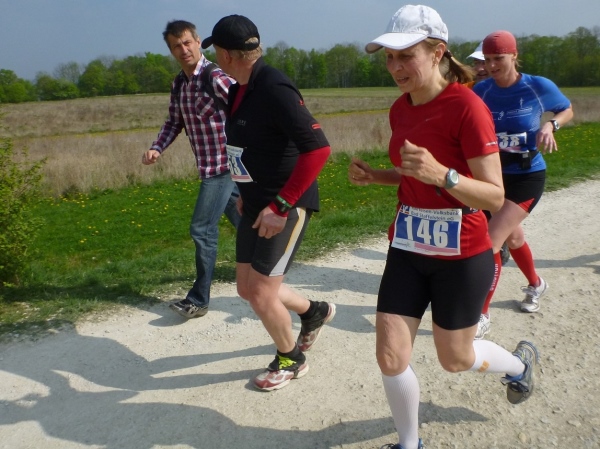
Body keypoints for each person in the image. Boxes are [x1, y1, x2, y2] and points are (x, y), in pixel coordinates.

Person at [349, 6, 539, 449]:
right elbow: (414, 174)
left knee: (455, 359)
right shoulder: (401, 109)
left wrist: (444, 175)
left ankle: (519, 366)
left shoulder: (467, 107)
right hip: (409, 246)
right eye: (389, 57)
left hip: (461, 252)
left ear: (437, 53)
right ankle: (409, 443)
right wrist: (378, 176)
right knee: (390, 354)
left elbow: (494, 196)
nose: (395, 67)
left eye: (406, 55)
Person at [201, 14, 336, 391]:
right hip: (255, 204)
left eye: (215, 52)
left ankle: (291, 359)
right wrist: (245, 194)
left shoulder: (274, 86)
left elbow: (318, 149)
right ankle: (315, 312)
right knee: (247, 288)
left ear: (226, 55)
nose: (215, 59)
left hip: (284, 206)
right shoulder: (240, 89)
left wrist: (280, 206)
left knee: (261, 293)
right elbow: (252, 148)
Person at [472, 30, 573, 338]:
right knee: (513, 237)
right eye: (487, 59)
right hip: (493, 177)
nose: (491, 66)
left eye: (498, 58)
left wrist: (550, 125)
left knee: (491, 240)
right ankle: (536, 284)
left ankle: (481, 313)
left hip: (527, 175)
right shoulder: (482, 90)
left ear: (514, 56)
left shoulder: (536, 85)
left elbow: (566, 109)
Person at [142, 20, 241, 319]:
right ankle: (269, 263)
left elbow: (246, 106)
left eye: (187, 42)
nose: (183, 49)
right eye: (176, 46)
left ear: (198, 42)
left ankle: (199, 299)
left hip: (222, 166)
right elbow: (174, 122)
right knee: (244, 220)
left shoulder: (215, 76)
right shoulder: (179, 84)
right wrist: (157, 147)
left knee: (202, 229)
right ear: (171, 51)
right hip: (210, 166)